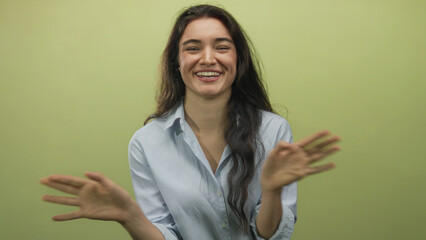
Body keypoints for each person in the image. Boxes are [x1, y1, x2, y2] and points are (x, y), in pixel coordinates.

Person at [40, 4, 341, 240]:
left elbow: (270, 236)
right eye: (193, 48)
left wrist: (273, 190)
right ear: (177, 61)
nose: (208, 59)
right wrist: (130, 216)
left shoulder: (272, 130)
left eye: (222, 47)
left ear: (238, 60)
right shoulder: (146, 143)